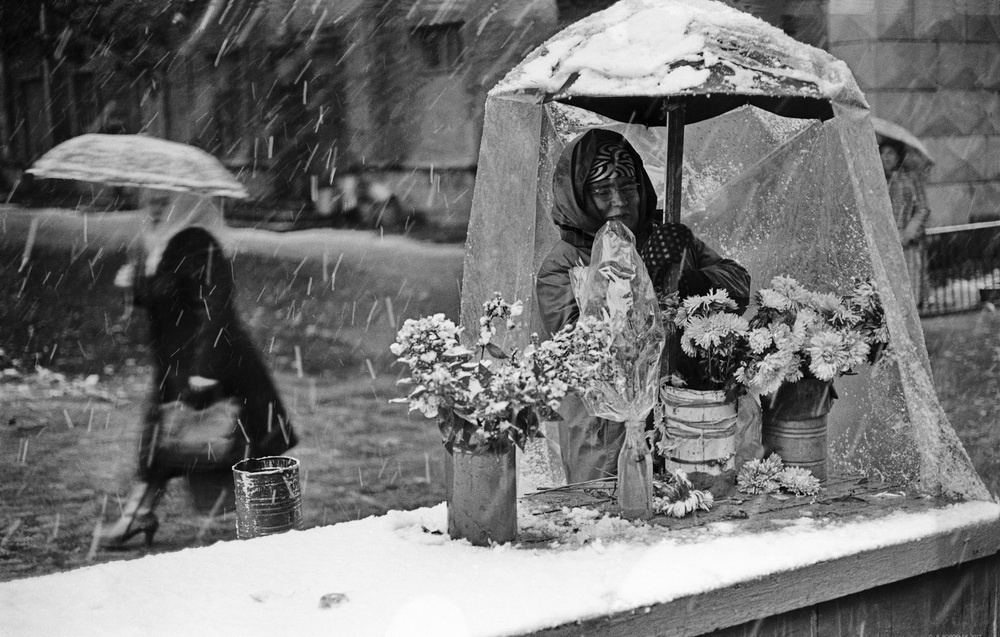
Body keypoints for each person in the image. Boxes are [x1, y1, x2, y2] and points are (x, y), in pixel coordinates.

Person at [535, 128, 750, 483]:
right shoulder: (563, 265)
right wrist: (644, 273)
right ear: (578, 197)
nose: (619, 201)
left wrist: (688, 280)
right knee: (612, 510)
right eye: (602, 191)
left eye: (628, 187)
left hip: (685, 418)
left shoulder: (664, 237)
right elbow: (587, 350)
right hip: (607, 435)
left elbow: (738, 284)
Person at [99, 193, 297, 548]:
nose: (154, 206)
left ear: (185, 202)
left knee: (233, 445)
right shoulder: (157, 243)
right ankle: (138, 515)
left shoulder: (199, 243)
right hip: (175, 365)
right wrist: (136, 287)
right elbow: (168, 297)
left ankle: (272, 521)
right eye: (150, 198)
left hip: (213, 364)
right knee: (166, 443)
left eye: (164, 200)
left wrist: (204, 370)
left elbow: (217, 308)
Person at [880, 140, 931, 307]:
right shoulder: (876, 179)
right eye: (882, 153)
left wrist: (907, 233)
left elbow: (922, 209)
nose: (885, 157)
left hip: (908, 246)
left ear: (898, 156)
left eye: (890, 153)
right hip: (884, 246)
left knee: (908, 296)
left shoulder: (910, 179)